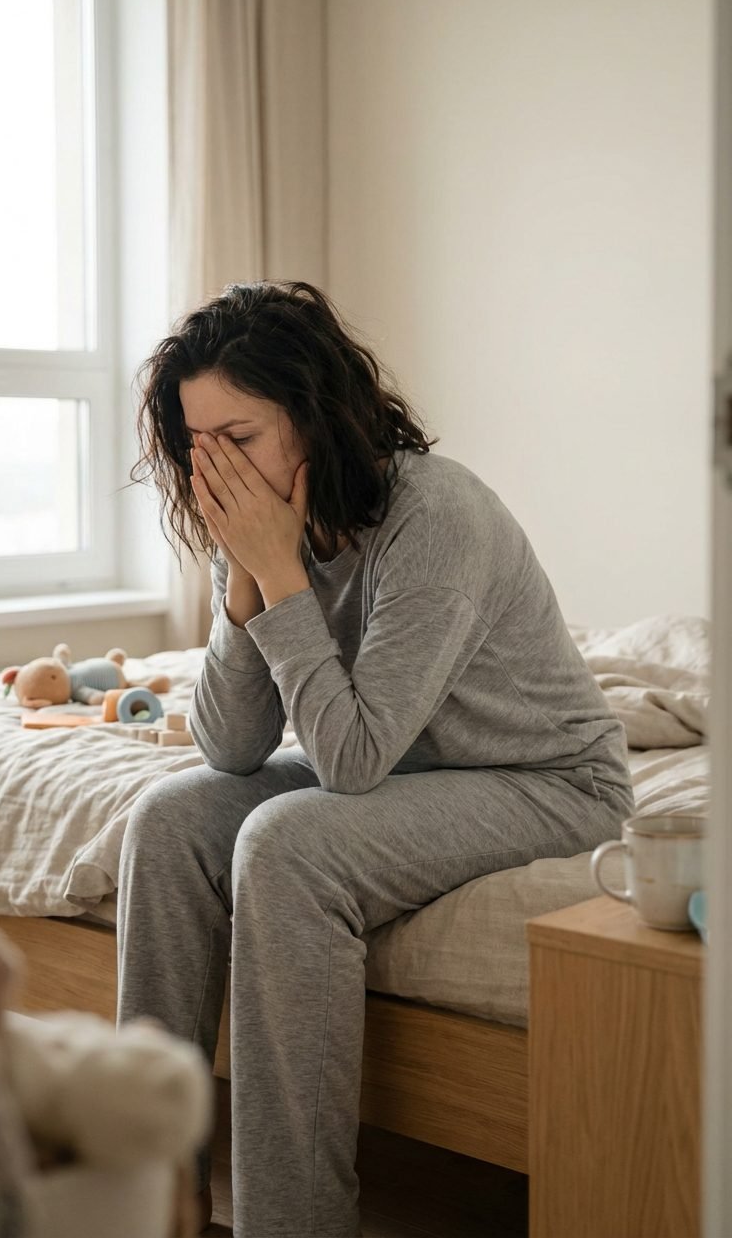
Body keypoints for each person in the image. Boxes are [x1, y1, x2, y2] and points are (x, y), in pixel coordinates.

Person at [117, 279, 634, 1238]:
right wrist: (245, 569)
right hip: (410, 768)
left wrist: (277, 570)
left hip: (548, 783)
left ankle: (294, 1222)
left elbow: (347, 763)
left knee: (289, 842)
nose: (220, 471)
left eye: (243, 438)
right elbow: (229, 746)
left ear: (313, 417)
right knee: (171, 818)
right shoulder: (275, 522)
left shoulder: (436, 518)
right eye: (201, 449)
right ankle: (160, 1199)